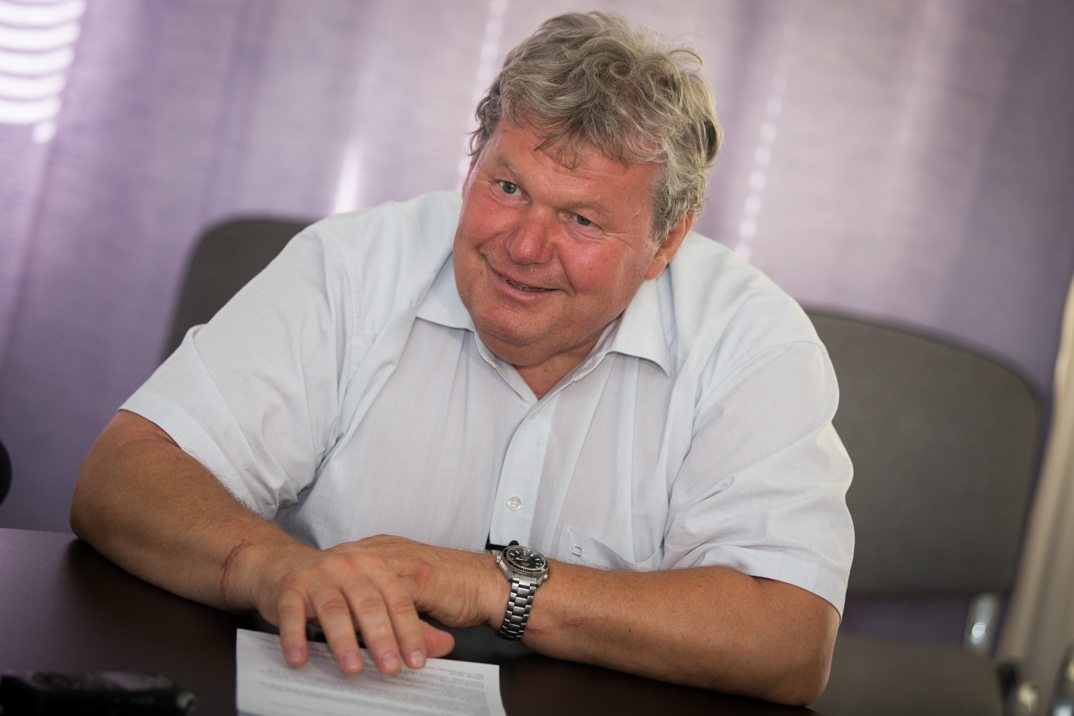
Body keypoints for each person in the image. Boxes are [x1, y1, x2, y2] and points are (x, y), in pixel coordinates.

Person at [70, 12, 852, 706]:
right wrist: (273, 568)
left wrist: (492, 585)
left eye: (581, 220)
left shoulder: (752, 341)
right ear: (473, 163)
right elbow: (122, 475)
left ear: (665, 242)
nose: (525, 246)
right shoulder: (353, 267)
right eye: (507, 186)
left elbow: (789, 643)